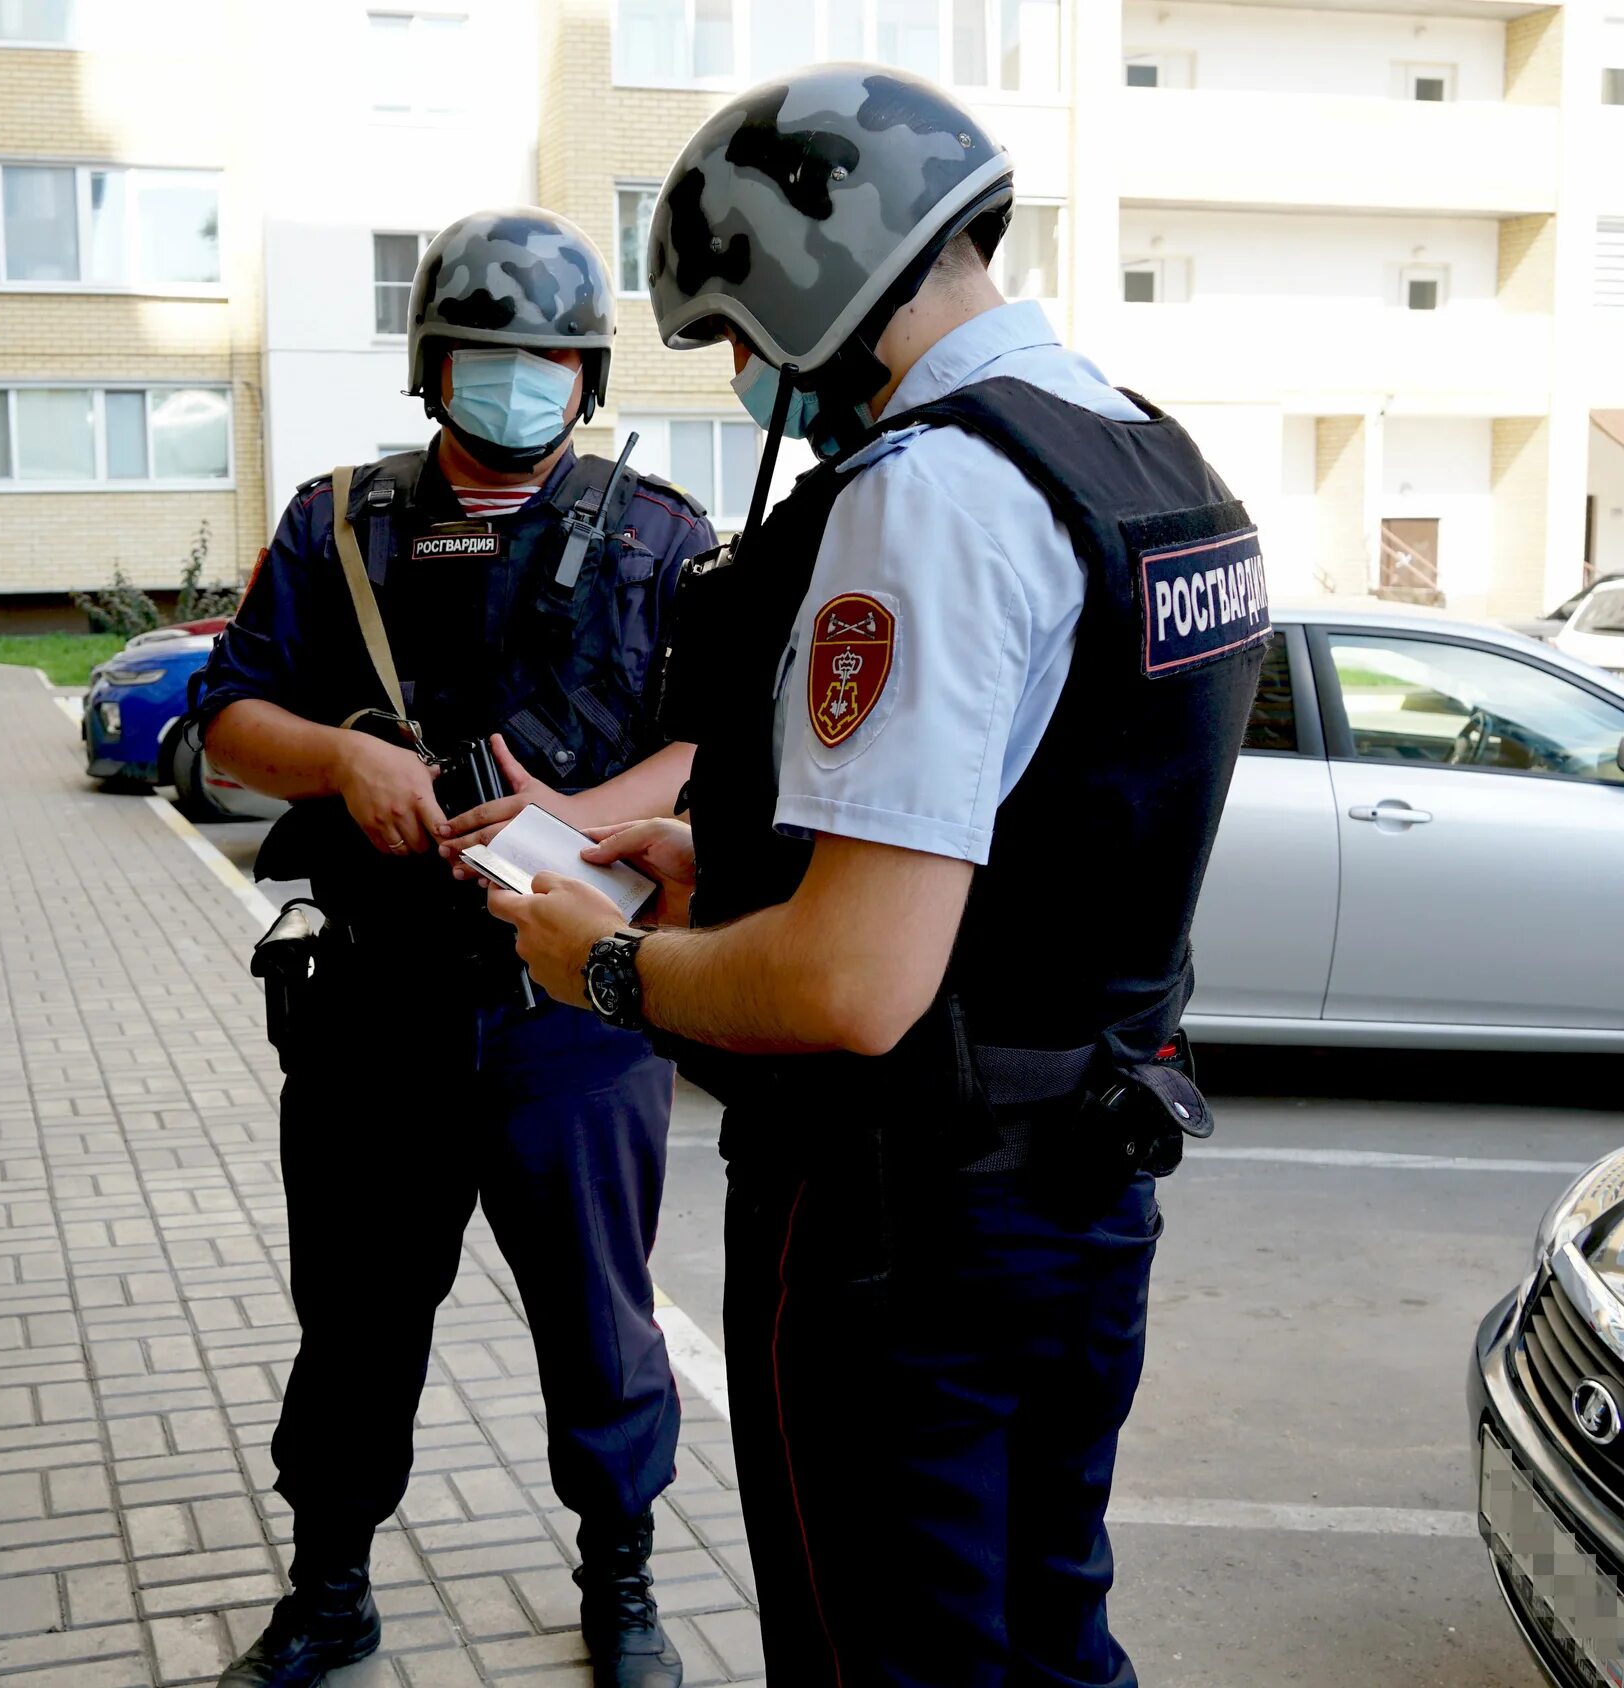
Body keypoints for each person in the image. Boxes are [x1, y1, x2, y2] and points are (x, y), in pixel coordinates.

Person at [483, 68, 1269, 1686]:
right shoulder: (1141, 455)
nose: (750, 373)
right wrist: (737, 853)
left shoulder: (936, 496)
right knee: (1049, 1635)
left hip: (910, 1227)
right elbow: (1055, 813)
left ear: (802, 271)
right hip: (1080, 1183)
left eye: (736, 329)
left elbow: (855, 986)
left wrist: (604, 968)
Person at [188, 208, 717, 1688]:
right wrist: (341, 763)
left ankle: (623, 1586)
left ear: (587, 375)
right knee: (353, 1326)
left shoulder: (664, 539)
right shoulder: (335, 521)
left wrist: (580, 812)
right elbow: (225, 718)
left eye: (550, 358)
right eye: (488, 356)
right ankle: (331, 1593)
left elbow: (717, 745)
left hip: (579, 1010)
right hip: (374, 1007)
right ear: (433, 365)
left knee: (604, 1328)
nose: (519, 383)